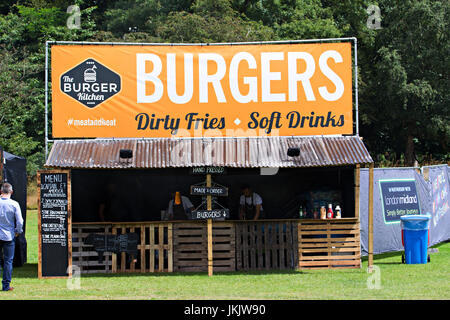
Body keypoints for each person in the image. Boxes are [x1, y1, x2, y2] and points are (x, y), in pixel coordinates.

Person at [0, 182, 23, 292]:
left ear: (1, 191)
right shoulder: (14, 204)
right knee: (8, 261)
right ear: (11, 192)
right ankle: (5, 286)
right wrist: (17, 231)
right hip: (8, 236)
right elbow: (20, 221)